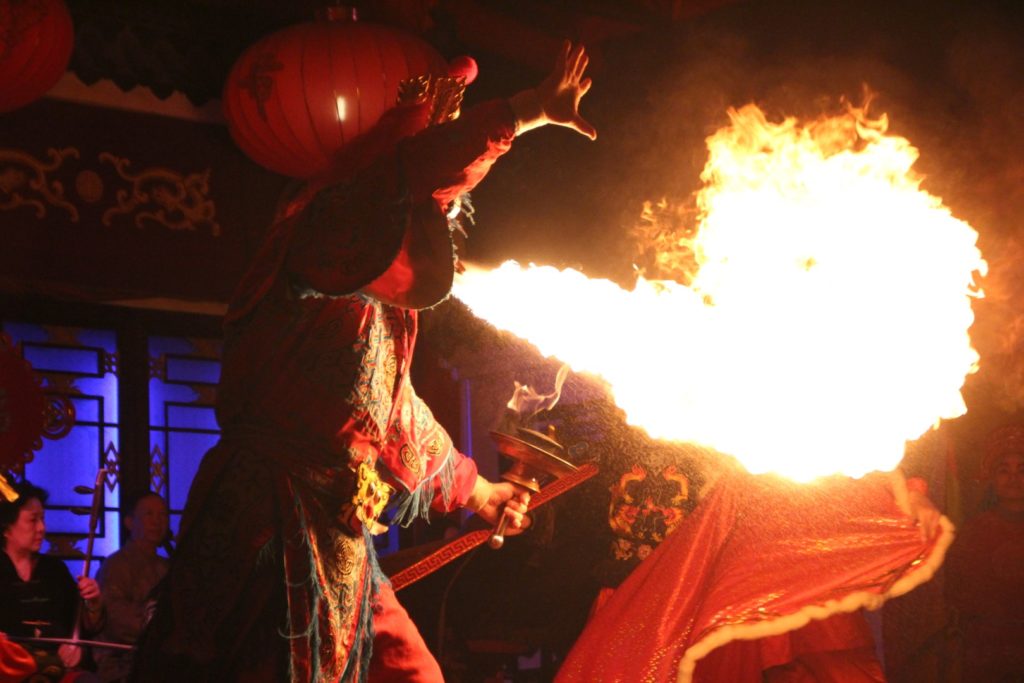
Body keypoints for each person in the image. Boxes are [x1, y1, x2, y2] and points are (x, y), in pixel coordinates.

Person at [131, 41, 597, 682]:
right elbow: (394, 180)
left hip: (339, 533)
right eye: (431, 206)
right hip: (269, 524)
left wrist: (481, 491)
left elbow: (395, 416)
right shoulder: (314, 239)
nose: (442, 219)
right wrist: (518, 115)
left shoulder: (379, 311)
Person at [556, 457, 949, 683]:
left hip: (734, 596)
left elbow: (846, 457)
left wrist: (909, 494)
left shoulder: (755, 436)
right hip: (634, 604)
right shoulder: (627, 415)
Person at [0, 480, 104, 682]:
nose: (41, 528)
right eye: (33, 520)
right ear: (6, 528)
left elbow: (82, 628)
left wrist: (94, 604)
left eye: (43, 519)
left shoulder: (54, 570)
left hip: (57, 666)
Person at [945, 424, 1024, 682]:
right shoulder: (974, 532)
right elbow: (954, 592)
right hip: (985, 654)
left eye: (1022, 470)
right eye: (1004, 470)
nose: (1014, 478)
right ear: (992, 478)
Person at [93, 492, 170, 682]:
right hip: (123, 662)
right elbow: (117, 620)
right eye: (149, 514)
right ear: (129, 522)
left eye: (162, 515)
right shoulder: (116, 566)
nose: (157, 522)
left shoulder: (168, 567)